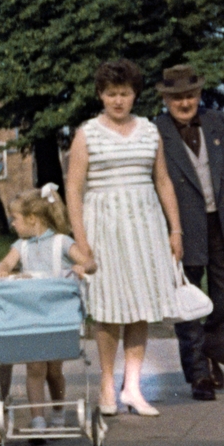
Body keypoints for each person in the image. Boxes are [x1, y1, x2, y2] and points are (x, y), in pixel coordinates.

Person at [65, 58, 185, 417]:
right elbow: (74, 187)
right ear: (101, 95)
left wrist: (174, 229)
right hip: (104, 225)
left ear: (135, 95)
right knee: (109, 307)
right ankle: (106, 382)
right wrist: (81, 240)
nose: (118, 100)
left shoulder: (149, 130)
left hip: (144, 223)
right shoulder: (87, 133)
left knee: (140, 307)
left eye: (125, 93)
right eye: (111, 94)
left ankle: (132, 386)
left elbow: (162, 180)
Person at [0, 186, 96, 428]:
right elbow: (6, 263)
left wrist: (83, 268)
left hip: (57, 316)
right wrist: (2, 270)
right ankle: (38, 418)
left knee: (53, 371)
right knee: (35, 367)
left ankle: (58, 410)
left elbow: (89, 262)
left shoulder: (62, 242)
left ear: (32, 218)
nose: (12, 224)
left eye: (15, 219)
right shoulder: (21, 246)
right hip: (30, 317)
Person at [151, 63, 224, 401]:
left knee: (221, 297)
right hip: (182, 225)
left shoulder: (215, 120)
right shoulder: (156, 131)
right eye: (177, 97)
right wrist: (169, 230)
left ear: (199, 94)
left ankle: (212, 348)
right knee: (187, 298)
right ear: (166, 100)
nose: (185, 103)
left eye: (190, 95)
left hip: (219, 221)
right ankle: (198, 374)